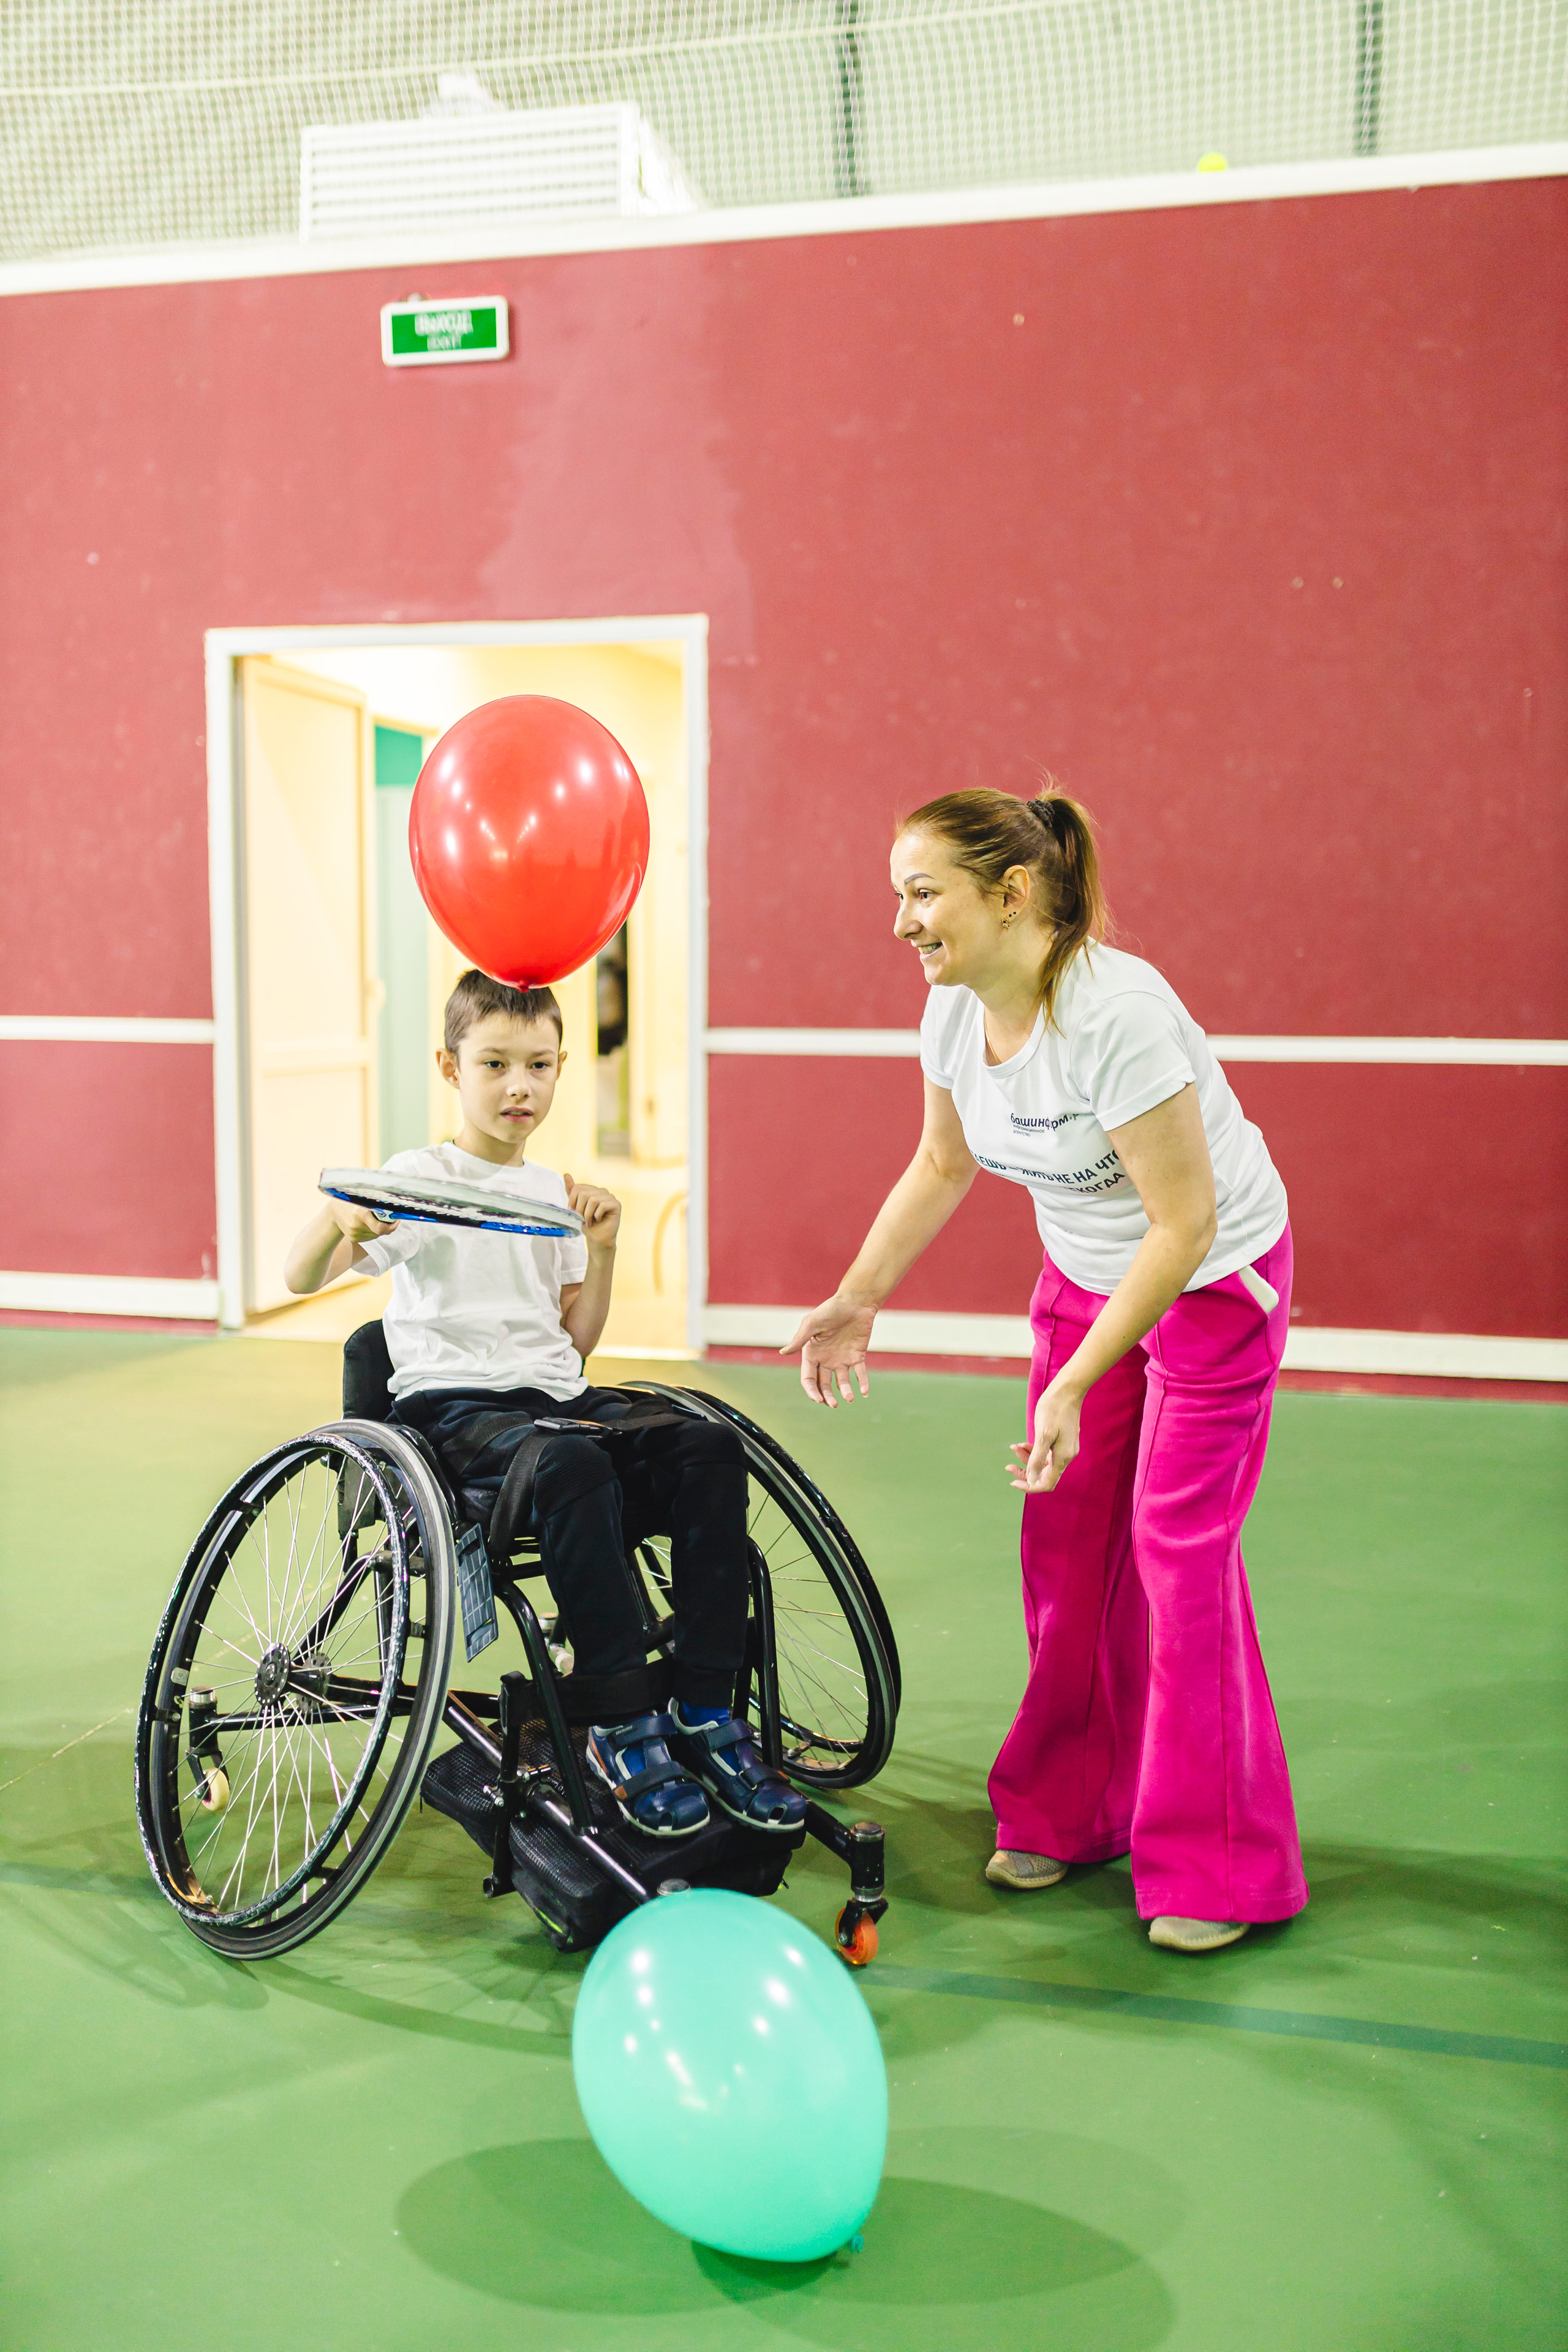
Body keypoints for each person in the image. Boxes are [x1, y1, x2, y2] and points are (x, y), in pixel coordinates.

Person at [784, 790, 1307, 1951]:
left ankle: (1220, 1863)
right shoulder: (956, 1016)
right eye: (899, 896)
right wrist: (857, 1298)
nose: (904, 921)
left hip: (1213, 1281)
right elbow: (939, 1158)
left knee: (1178, 1555)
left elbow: (1180, 1225)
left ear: (1011, 894)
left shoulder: (1116, 1014)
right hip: (1083, 1281)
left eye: (924, 893)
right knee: (1067, 1541)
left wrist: (1075, 1384)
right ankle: (1071, 1810)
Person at [284, 966, 804, 1842]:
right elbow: (297, 1277)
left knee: (708, 1447)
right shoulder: (418, 1180)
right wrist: (344, 1222)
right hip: (456, 1414)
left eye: (537, 1065)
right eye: (494, 1065)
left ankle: (706, 1710)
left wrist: (601, 1249)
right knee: (571, 1462)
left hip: (556, 1401)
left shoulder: (553, 1196)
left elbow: (576, 1341)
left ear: (563, 1067)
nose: (518, 1086)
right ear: (451, 1069)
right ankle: (619, 1726)